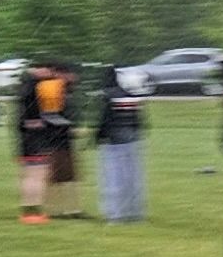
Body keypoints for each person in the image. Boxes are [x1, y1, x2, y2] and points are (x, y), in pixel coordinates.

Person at [94, 66, 149, 223]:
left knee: (113, 179)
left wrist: (98, 137)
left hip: (113, 140)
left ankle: (115, 214)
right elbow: (140, 120)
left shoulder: (109, 96)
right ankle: (135, 213)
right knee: (134, 178)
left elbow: (105, 120)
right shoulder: (134, 96)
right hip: (133, 138)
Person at [14, 61, 58, 224]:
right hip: (37, 138)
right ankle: (35, 211)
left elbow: (20, 119)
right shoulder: (38, 89)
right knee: (37, 176)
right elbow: (43, 114)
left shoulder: (23, 88)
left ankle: (26, 210)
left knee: (27, 176)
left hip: (25, 139)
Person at [47, 62, 85, 219]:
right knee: (56, 177)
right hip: (55, 141)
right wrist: (69, 127)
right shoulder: (53, 92)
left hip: (66, 141)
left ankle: (73, 209)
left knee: (70, 176)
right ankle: (54, 210)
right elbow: (50, 116)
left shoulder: (67, 92)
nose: (74, 78)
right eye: (70, 73)